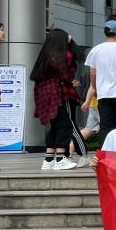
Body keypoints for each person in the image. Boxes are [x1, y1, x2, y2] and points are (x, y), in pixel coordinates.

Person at [31, 27, 85, 171]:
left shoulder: (45, 55)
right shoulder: (61, 55)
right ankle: (60, 159)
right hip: (57, 94)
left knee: (55, 126)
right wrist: (70, 81)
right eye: (67, 36)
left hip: (44, 95)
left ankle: (49, 159)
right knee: (65, 125)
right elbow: (65, 73)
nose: (69, 37)